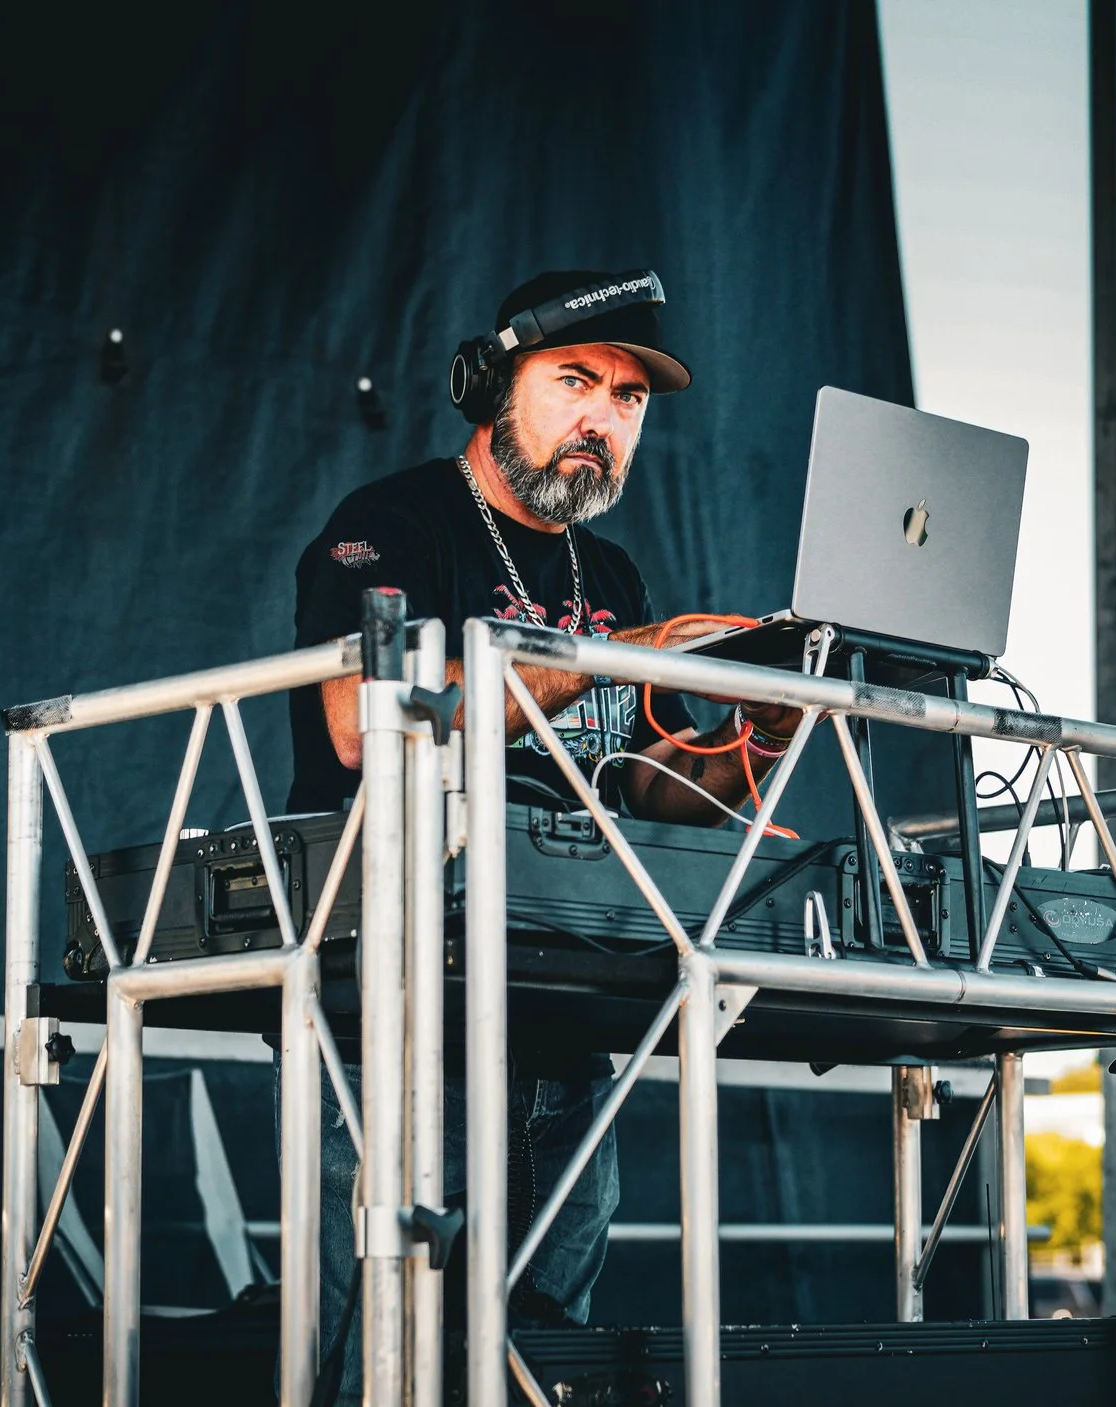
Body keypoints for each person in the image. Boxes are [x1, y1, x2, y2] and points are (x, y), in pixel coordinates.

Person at [277, 270, 802, 1397]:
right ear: (486, 387)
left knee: (546, 1333)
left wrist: (749, 741)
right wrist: (625, 650)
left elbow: (645, 788)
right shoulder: (391, 525)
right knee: (382, 1326)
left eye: (627, 400)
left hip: (563, 989)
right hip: (401, 994)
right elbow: (364, 727)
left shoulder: (606, 573)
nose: (601, 418)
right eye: (574, 381)